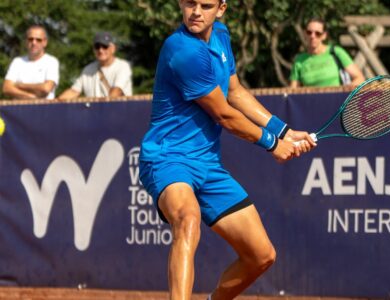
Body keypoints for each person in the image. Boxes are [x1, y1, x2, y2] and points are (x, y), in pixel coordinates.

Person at [139, 1, 316, 299]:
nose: (196, 11)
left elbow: (234, 92)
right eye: (189, 3)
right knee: (188, 218)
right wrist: (273, 144)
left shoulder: (220, 36)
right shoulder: (182, 50)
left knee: (261, 255)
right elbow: (223, 114)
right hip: (169, 158)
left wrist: (282, 131)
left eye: (205, 5)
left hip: (207, 164)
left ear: (221, 9)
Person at [290, 17, 365, 88]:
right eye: (309, 32)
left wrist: (344, 93)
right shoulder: (299, 60)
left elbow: (359, 78)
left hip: (336, 100)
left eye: (318, 33)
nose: (312, 36)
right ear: (304, 34)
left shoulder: (336, 52)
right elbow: (292, 91)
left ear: (324, 36)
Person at [58, 31, 132, 100]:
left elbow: (116, 92)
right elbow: (73, 91)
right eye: (97, 47)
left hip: (117, 112)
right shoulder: (87, 70)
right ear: (93, 49)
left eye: (104, 46)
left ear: (113, 49)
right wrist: (53, 104)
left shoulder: (123, 66)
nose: (100, 50)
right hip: (94, 113)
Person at [2, 24, 59, 100]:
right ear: (26, 41)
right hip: (18, 110)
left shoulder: (51, 62)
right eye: (30, 39)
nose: (34, 43)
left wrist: (19, 85)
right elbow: (6, 88)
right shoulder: (17, 62)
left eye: (38, 40)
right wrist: (31, 97)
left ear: (45, 42)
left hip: (44, 109)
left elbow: (46, 88)